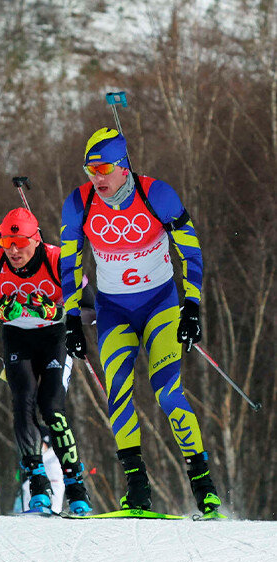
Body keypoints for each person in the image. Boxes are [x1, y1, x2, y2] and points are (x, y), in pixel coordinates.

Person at [60, 127, 220, 517]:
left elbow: (190, 250)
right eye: (88, 169)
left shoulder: (157, 195)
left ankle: (205, 490)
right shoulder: (79, 203)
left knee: (167, 392)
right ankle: (137, 492)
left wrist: (193, 306)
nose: (95, 178)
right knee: (118, 393)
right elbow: (69, 262)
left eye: (102, 168)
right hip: (114, 311)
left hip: (160, 305)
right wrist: (70, 318)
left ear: (122, 165)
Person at [0, 207, 91, 515]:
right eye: (6, 243)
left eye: (20, 243)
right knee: (22, 401)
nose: (13, 250)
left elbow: (91, 308)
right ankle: (37, 483)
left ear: (36, 240)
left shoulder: (59, 260)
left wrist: (57, 312)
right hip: (17, 338)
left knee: (51, 406)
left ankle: (76, 487)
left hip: (54, 338)